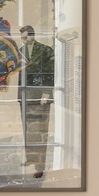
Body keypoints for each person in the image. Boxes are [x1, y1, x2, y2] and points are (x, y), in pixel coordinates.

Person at [17, 24, 59, 178]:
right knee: (27, 129)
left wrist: (47, 94)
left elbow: (50, 73)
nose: (23, 40)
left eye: (25, 37)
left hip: (40, 97)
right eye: (22, 38)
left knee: (41, 130)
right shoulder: (21, 52)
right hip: (25, 96)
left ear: (32, 35)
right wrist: (20, 95)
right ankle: (31, 158)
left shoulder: (45, 50)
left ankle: (40, 164)